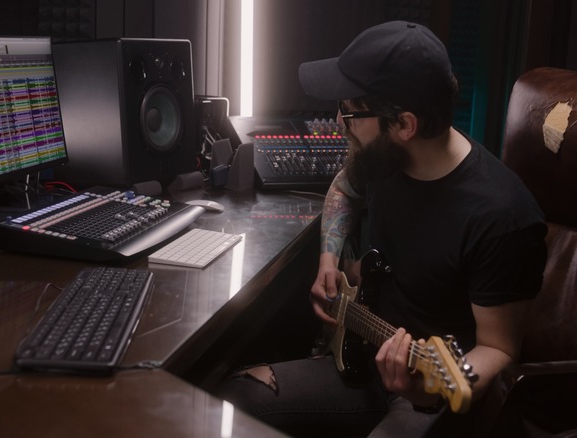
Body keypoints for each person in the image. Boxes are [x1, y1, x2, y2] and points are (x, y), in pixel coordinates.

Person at [215, 20, 547, 437]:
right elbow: (343, 186)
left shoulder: (502, 217)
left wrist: (426, 391)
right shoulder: (385, 160)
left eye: (350, 111)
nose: (338, 122)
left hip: (429, 391)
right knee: (230, 403)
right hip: (363, 357)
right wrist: (328, 258)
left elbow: (499, 349)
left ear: (404, 125)